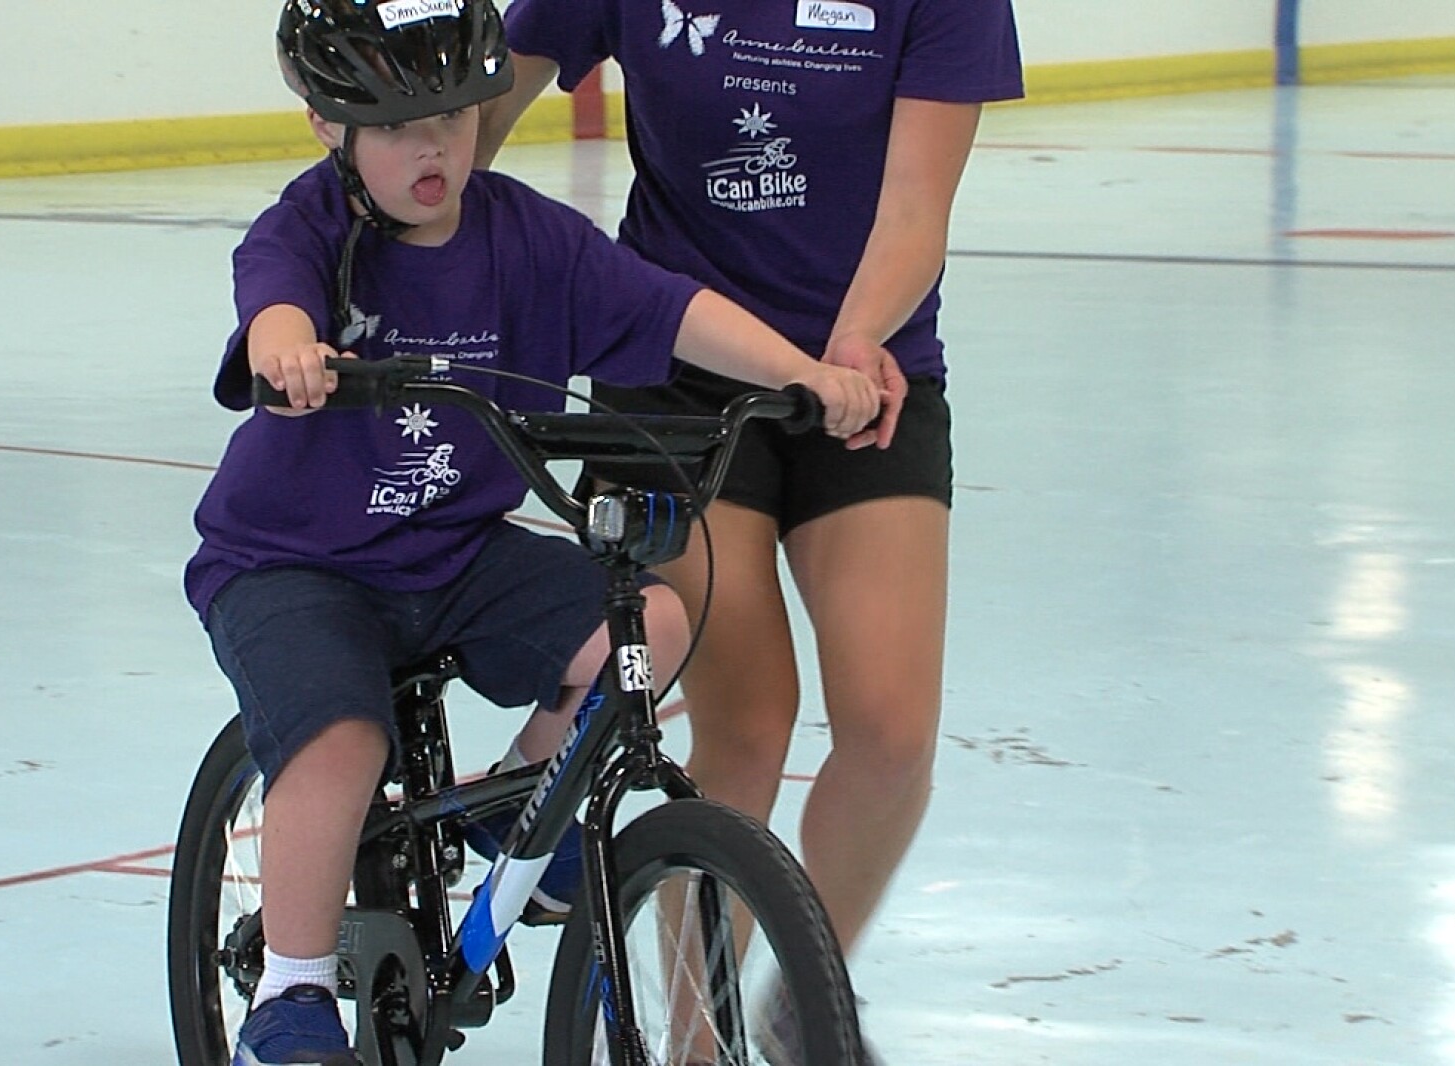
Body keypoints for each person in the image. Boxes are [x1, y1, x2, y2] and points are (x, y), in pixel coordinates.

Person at [183, 1, 888, 1062]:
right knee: (340, 741)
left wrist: (803, 373)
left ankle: (514, 808)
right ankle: (290, 995)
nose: (432, 149)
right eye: (395, 128)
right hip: (295, 566)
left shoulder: (526, 237)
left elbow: (669, 308)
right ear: (329, 126)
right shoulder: (311, 229)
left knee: (649, 621)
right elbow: (274, 301)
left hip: (457, 553)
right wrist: (286, 348)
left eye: (453, 118)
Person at [475, 0, 1024, 1050]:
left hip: (863, 375)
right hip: (673, 371)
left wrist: (848, 351)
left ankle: (801, 987)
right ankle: (698, 1040)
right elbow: (477, 110)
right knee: (749, 715)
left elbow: (916, 203)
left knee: (892, 735)